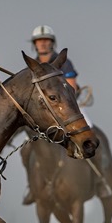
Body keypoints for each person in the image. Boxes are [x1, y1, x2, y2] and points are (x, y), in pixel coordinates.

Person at [20, 24, 86, 205]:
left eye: (46, 40)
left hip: (70, 109)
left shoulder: (64, 62)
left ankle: (99, 178)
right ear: (34, 44)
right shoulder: (32, 65)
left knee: (90, 133)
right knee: (26, 148)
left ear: (52, 43)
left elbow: (71, 88)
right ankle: (32, 187)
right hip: (45, 114)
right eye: (39, 41)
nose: (42, 44)